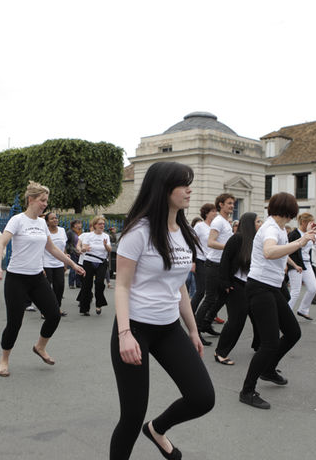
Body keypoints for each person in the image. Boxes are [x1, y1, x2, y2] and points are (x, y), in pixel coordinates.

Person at [110, 161, 214, 459]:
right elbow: (122, 287)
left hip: (169, 329)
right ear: (163, 189)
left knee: (202, 397)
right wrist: (124, 334)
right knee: (130, 418)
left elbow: (179, 285)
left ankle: (157, 428)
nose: (189, 189)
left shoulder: (183, 232)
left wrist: (193, 329)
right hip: (136, 328)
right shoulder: (138, 232)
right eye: (183, 183)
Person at [0, 181, 84, 377]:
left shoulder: (42, 223)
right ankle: (4, 358)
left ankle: (40, 347)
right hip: (16, 278)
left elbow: (50, 248)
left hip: (37, 277)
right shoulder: (17, 220)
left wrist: (73, 264)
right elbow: (1, 244)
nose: (45, 204)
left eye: (46, 200)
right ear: (31, 199)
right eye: (42, 200)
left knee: (54, 314)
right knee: (14, 323)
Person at [239, 192, 316, 410]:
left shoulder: (280, 228)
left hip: (272, 287)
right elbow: (270, 251)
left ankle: (268, 369)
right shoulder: (272, 227)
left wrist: (302, 239)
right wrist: (301, 241)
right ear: (289, 210)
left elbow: (280, 252)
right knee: (270, 342)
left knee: (293, 332)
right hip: (260, 287)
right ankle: (247, 390)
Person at [214, 212, 260, 365]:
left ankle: (259, 346)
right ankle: (220, 352)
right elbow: (225, 261)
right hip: (236, 285)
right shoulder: (237, 239)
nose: (261, 224)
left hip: (253, 285)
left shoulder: (257, 240)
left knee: (260, 319)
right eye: (258, 221)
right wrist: (225, 284)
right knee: (236, 321)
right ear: (249, 224)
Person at [195, 193, 235, 338]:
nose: (232, 206)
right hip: (212, 265)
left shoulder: (226, 221)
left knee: (224, 296)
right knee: (210, 298)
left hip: (222, 265)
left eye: (233, 203)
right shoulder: (218, 221)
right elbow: (210, 242)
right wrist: (228, 247)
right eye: (229, 203)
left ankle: (206, 323)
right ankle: (197, 330)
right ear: (221, 205)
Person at [76, 215, 111, 316]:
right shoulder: (88, 236)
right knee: (87, 285)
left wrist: (105, 245)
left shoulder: (106, 236)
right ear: (95, 225)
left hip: (101, 262)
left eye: (103, 224)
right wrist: (83, 249)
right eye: (100, 224)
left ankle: (99, 304)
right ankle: (85, 308)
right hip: (89, 261)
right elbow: (83, 248)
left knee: (100, 283)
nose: (102, 225)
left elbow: (109, 250)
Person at [287, 213, 316, 321]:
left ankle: (303, 310)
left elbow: (314, 247)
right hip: (295, 263)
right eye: (310, 222)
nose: (312, 225)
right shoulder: (294, 234)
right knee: (295, 291)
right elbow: (291, 249)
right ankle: (286, 314)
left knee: (313, 288)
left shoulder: (310, 233)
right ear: (304, 222)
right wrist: (294, 265)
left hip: (307, 263)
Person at [43, 212, 68, 316]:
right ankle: (45, 310)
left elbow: (64, 247)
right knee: (47, 288)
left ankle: (57, 308)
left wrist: (65, 262)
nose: (55, 220)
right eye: (52, 218)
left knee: (60, 286)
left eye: (56, 218)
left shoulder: (62, 231)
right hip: (46, 263)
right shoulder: (44, 231)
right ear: (47, 221)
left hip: (59, 263)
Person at [66, 220, 83, 289]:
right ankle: (71, 283)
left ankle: (78, 283)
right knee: (73, 268)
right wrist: (73, 251)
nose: (80, 225)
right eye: (79, 223)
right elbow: (67, 244)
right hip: (73, 252)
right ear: (74, 225)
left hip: (78, 253)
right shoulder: (70, 232)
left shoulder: (79, 232)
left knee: (79, 267)